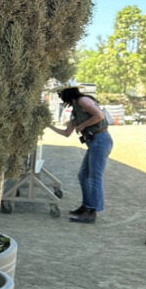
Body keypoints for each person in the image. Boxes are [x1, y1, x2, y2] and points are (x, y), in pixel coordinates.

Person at [47, 87, 113, 223]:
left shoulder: (83, 100)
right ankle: (85, 206)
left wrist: (83, 125)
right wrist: (48, 126)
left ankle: (92, 211)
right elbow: (66, 133)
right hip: (93, 143)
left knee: (95, 177)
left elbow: (99, 116)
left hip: (100, 140)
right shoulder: (75, 110)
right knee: (83, 176)